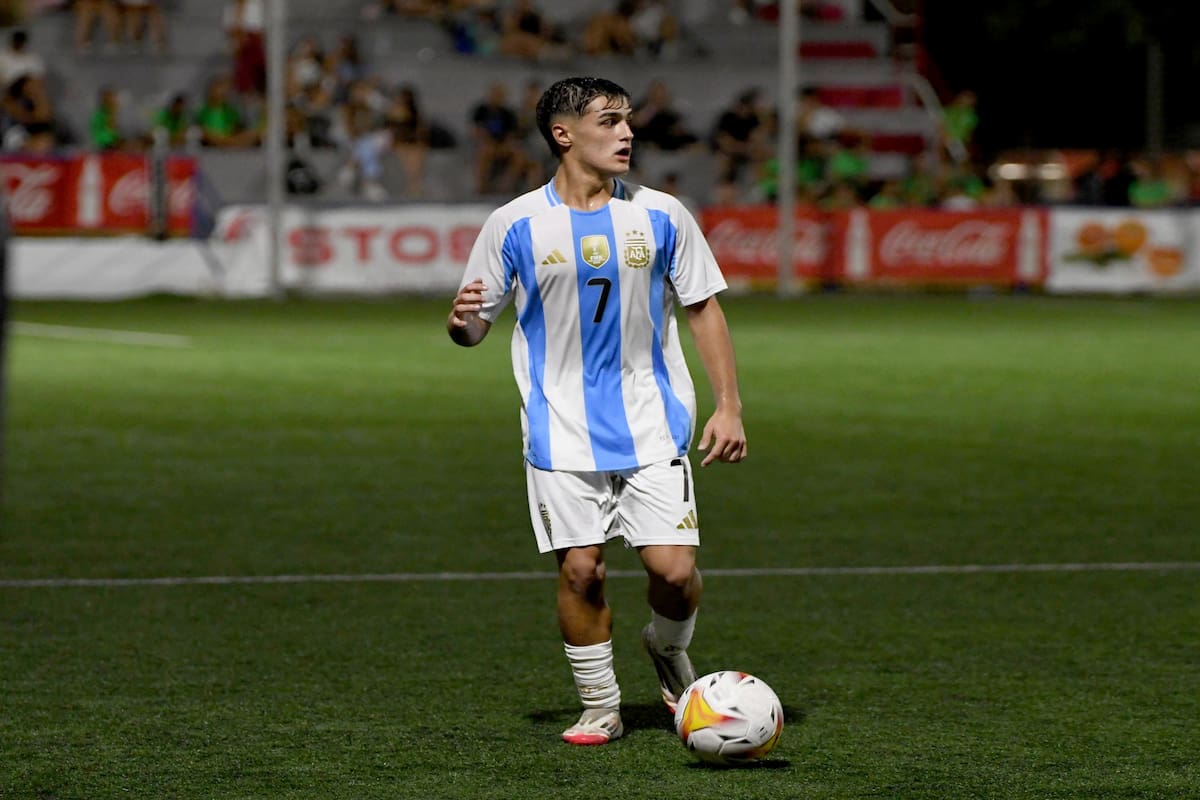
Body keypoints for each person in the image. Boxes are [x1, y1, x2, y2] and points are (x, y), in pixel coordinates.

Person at [446, 76, 747, 746]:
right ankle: (600, 704)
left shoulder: (664, 213)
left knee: (673, 572)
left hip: (651, 420)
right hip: (560, 428)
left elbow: (703, 308)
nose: (626, 133)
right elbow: (475, 325)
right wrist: (461, 323)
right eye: (609, 121)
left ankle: (667, 649)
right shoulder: (515, 223)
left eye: (628, 120)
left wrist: (728, 405)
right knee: (581, 569)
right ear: (563, 135)